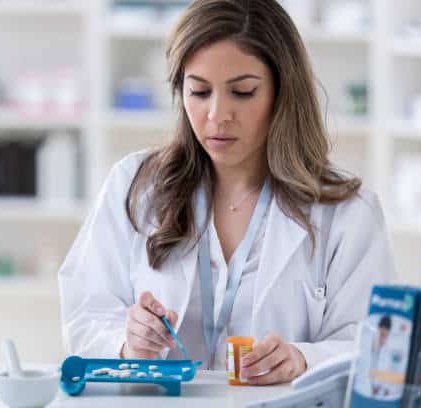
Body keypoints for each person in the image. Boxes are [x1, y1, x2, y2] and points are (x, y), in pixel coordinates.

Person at [59, 0, 396, 385]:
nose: (218, 115)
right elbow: (86, 314)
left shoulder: (346, 212)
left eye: (243, 92)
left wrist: (303, 358)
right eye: (200, 92)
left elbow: (375, 343)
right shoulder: (136, 186)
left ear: (283, 93)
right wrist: (128, 344)